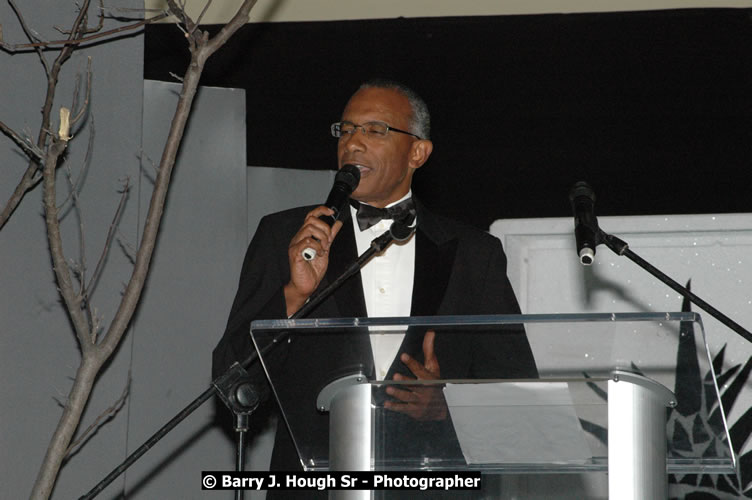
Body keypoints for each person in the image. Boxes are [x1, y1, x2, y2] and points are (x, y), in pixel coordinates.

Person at [212, 80, 538, 487]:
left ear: (418, 152)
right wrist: (295, 295)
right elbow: (233, 382)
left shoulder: (474, 255)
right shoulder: (287, 238)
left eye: (375, 130)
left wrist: (447, 407)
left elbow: (519, 394)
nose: (353, 143)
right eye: (345, 130)